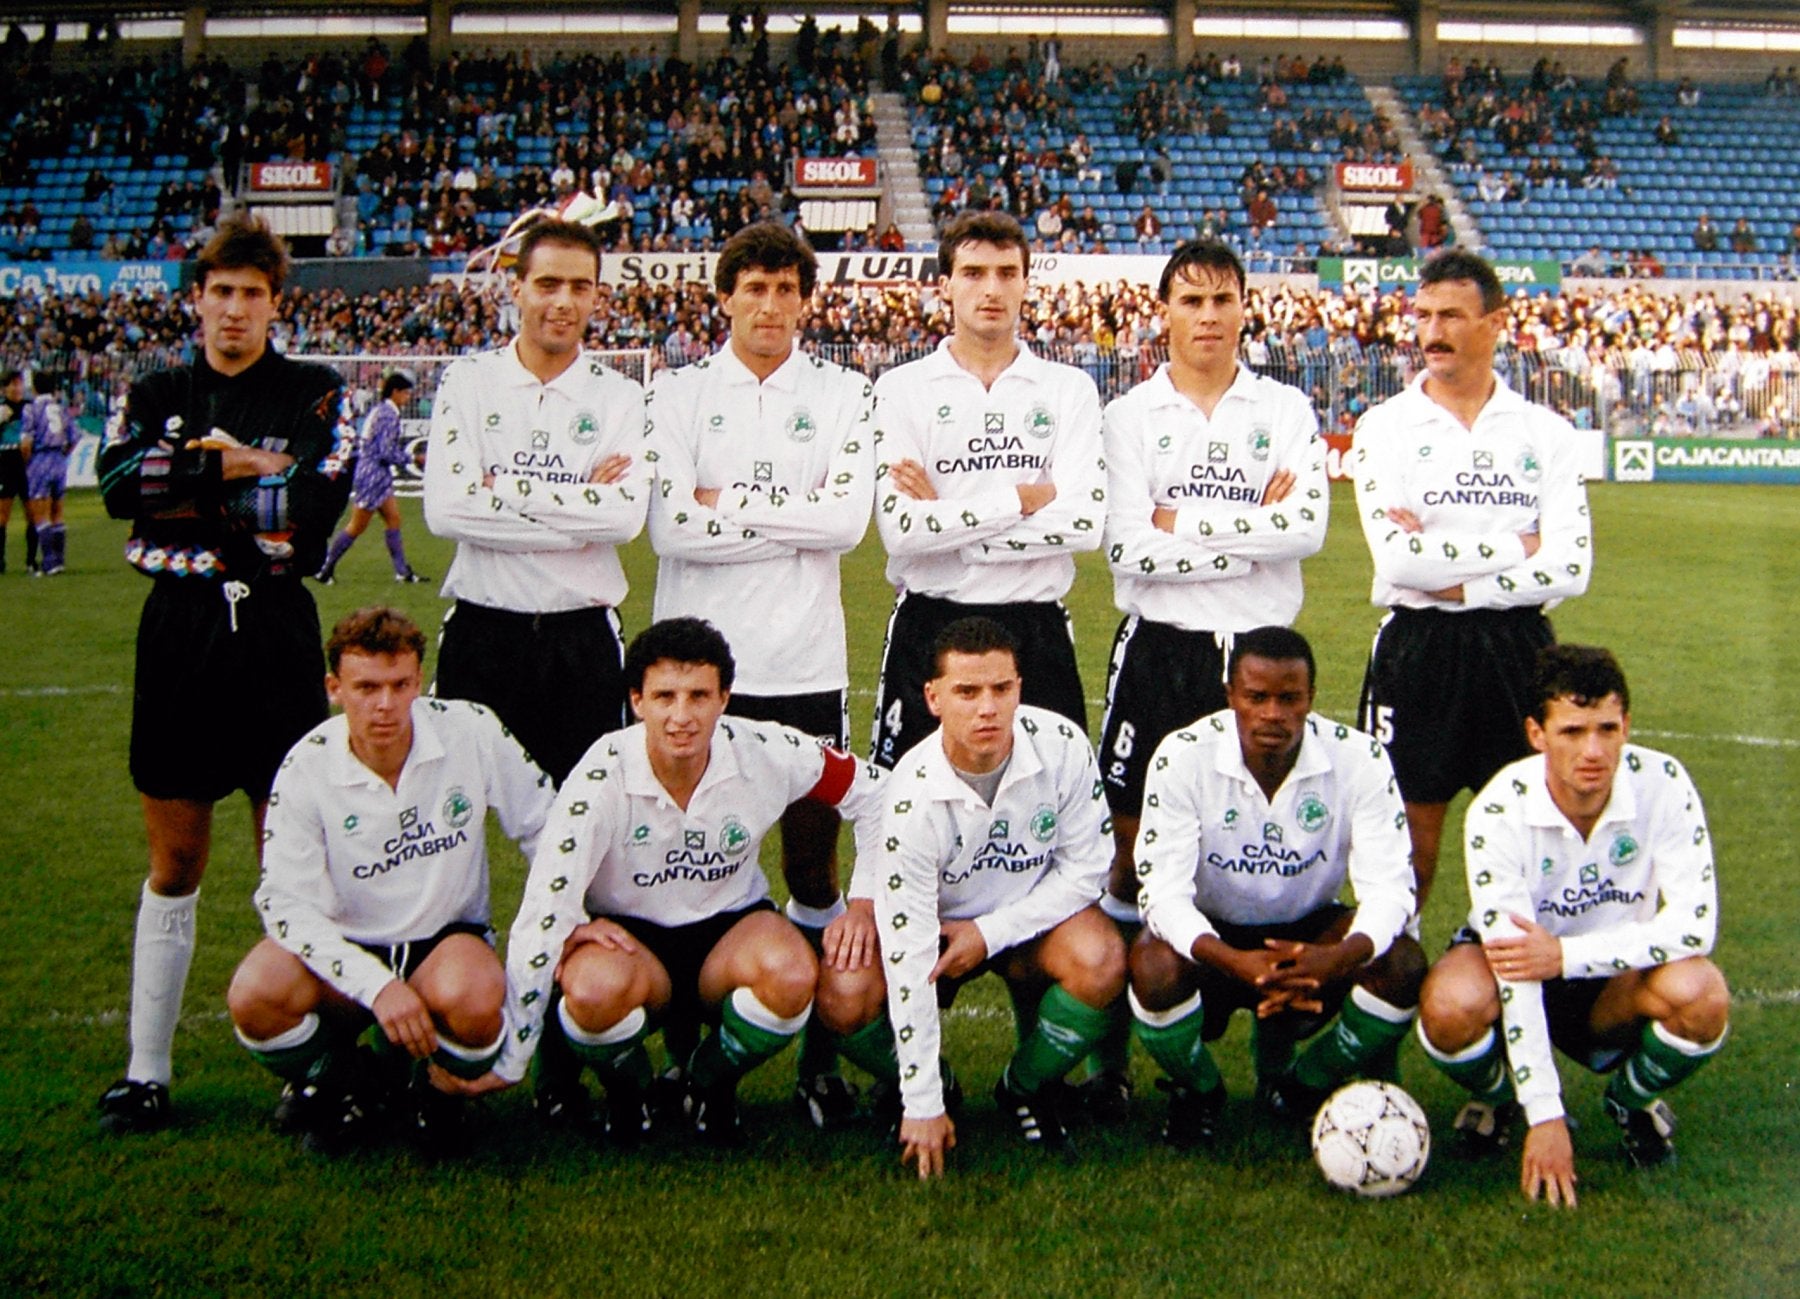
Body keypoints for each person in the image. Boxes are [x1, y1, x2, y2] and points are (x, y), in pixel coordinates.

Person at [94, 215, 356, 1133]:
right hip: (178, 629)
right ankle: (147, 1068)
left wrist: (203, 472)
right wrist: (243, 470)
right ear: (196, 297)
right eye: (221, 291)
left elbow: (315, 506)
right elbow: (122, 485)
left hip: (277, 629)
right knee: (175, 859)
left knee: (290, 860)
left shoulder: (315, 390)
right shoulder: (156, 386)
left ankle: (312, 1067)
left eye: (252, 293)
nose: (235, 309)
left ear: (275, 304)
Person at [445, 617, 884, 1146]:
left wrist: (863, 901)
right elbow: (546, 901)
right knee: (591, 990)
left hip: (728, 934)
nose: (682, 716)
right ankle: (633, 1090)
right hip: (630, 940)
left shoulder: (769, 749)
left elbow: (882, 795)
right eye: (665, 696)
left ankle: (707, 1083)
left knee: (791, 976)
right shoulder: (602, 771)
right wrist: (513, 1055)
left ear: (725, 698)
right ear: (637, 701)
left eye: (699, 695)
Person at [645, 220, 876, 1127]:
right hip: (697, 667)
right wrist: (791, 511)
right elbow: (669, 528)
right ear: (725, 295)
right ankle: (692, 1064)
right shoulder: (676, 391)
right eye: (755, 287)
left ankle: (819, 1064)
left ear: (805, 300)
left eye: (788, 289)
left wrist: (724, 501)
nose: (771, 304)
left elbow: (847, 525)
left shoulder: (845, 392)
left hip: (807, 663)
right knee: (681, 866)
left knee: (813, 869)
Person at [1091, 240, 1328, 1115]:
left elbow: (1304, 527)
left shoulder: (1286, 406)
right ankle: (1111, 1061)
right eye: (1190, 299)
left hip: (1261, 650)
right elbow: (1124, 543)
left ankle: (1274, 1063)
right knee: (1127, 856)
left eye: (1222, 299)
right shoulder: (1129, 416)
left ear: (1243, 309)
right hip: (1161, 648)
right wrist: (1245, 523)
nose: (1207, 315)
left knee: (1272, 851)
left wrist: (1179, 520)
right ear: (1164, 311)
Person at [225, 607, 554, 1151]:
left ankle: (435, 1094)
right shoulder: (306, 765)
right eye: (366, 687)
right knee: (257, 995)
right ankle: (350, 1084)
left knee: (476, 1002)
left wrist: (569, 914)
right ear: (334, 688)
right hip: (347, 944)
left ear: (419, 681)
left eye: (401, 685)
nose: (385, 705)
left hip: (444, 943)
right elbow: (285, 904)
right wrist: (376, 986)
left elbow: (545, 823)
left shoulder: (470, 728)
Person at [1417, 645, 1728, 1205]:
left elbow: (1694, 926)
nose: (1593, 750)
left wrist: (1564, 956)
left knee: (1701, 993)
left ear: (1626, 725)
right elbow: (1514, 964)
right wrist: (1546, 1115)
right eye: (1572, 731)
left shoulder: (1665, 783)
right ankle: (1508, 1098)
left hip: (1611, 980)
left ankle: (1628, 1105)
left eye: (1608, 729)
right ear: (1537, 733)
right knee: (1449, 1004)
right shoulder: (1498, 808)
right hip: (1512, 965)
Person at [1352, 248, 1592, 913]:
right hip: (1419, 649)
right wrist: (1519, 545)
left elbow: (1572, 564)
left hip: (1520, 652)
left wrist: (1459, 578)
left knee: (1527, 846)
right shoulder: (1385, 427)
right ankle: (1388, 998)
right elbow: (1400, 564)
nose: (1432, 331)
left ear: (1496, 323)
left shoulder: (1547, 432)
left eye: (1452, 315)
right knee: (1408, 859)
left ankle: (1520, 1001)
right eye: (1423, 314)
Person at [1129, 626, 1421, 1145]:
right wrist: (1232, 961)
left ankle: (1304, 1085)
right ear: (1230, 696)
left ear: (1310, 698)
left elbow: (1391, 889)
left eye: (1289, 699)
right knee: (1152, 964)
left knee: (1400, 961)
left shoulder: (1360, 757)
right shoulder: (1183, 754)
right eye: (1256, 697)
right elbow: (1162, 892)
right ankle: (1200, 1090)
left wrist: (1334, 957)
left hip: (1311, 939)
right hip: (1215, 938)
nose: (1272, 713)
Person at [862, 617, 1122, 1175]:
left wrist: (992, 932)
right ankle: (935, 1085)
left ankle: (1025, 1088)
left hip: (1030, 926)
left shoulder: (1062, 745)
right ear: (933, 698)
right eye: (967, 691)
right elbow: (907, 953)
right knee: (845, 991)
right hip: (939, 936)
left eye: (1001, 689)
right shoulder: (909, 796)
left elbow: (1088, 870)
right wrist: (924, 1103)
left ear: (1019, 687)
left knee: (1101, 958)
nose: (988, 708)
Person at [869, 209, 1104, 772]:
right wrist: (1017, 500)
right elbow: (901, 531)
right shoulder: (901, 389)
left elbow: (1084, 523)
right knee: (906, 802)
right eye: (973, 273)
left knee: (1048, 803)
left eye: (1006, 272)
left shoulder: (1068, 389)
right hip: (932, 621)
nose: (991, 288)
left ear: (1027, 281)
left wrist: (949, 522)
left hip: (1036, 626)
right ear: (945, 285)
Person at [423, 217, 651, 786]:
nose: (563, 302)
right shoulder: (468, 381)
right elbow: (448, 510)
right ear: (517, 287)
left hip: (582, 642)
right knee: (457, 822)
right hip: (481, 633)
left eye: (580, 287)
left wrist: (496, 486)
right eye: (548, 284)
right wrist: (579, 508)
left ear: (598, 295)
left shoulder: (620, 395)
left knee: (581, 826)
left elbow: (622, 519)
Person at [316, 369, 428, 584]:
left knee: (394, 519)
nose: (408, 397)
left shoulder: (380, 410)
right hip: (374, 474)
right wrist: (412, 458)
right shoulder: (388, 414)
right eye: (405, 393)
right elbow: (385, 450)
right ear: (395, 392)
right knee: (357, 525)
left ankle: (402, 572)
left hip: (374, 471)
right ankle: (325, 568)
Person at [21, 370, 74, 575]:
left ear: (34, 387)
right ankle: (60, 560)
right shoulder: (61, 409)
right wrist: (63, 452)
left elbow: (26, 443)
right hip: (59, 461)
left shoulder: (31, 409)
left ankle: (49, 562)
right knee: (57, 512)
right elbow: (75, 437)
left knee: (40, 513)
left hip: (40, 459)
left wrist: (26, 463)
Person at [0, 368, 30, 573]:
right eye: (12, 384)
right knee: (2, 515)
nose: (16, 388)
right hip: (5, 464)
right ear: (4, 388)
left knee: (33, 513)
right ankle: (0, 560)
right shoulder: (2, 410)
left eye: (19, 383)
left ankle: (31, 560)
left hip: (27, 465)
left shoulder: (29, 408)